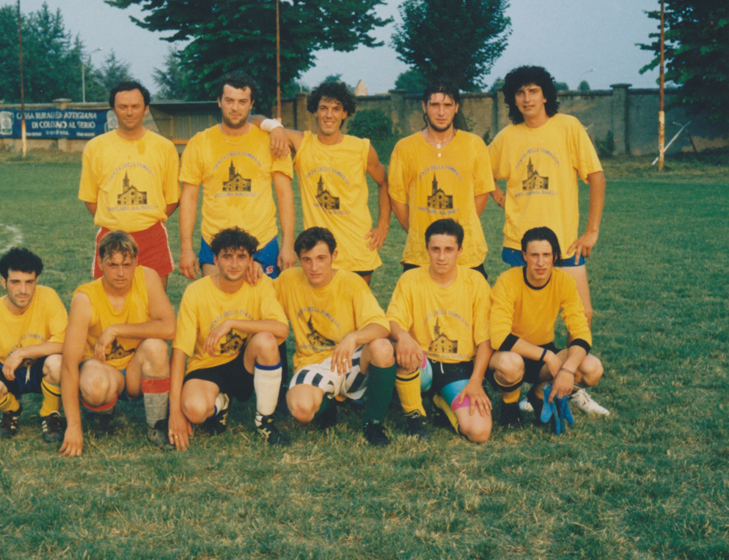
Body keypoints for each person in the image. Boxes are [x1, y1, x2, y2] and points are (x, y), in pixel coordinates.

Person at [488, 65, 608, 414]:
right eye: (520, 93)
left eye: (533, 91)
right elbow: (479, 170)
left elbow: (596, 177)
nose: (527, 99)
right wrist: (497, 195)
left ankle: (563, 385)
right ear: (513, 98)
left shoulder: (567, 127)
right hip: (519, 244)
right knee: (517, 321)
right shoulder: (508, 137)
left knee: (581, 313)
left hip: (565, 244)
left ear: (545, 94)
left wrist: (592, 230)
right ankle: (513, 388)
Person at [252, 80, 390, 284]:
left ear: (345, 113)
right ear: (315, 111)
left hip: (356, 250)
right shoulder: (303, 143)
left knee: (355, 313)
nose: (329, 115)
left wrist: (383, 226)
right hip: (318, 253)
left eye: (336, 109)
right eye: (323, 108)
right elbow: (253, 118)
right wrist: (275, 127)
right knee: (320, 313)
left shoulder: (361, 148)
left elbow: (384, 182)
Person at [168, 227, 290, 450]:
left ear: (250, 260)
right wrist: (174, 413)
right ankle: (220, 403)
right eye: (227, 257)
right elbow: (179, 353)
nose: (234, 264)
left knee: (266, 340)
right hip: (207, 364)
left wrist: (232, 323)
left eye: (241, 257)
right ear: (215, 259)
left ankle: (265, 421)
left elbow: (281, 329)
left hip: (243, 363)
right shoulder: (196, 292)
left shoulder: (260, 283)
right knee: (194, 411)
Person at [275, 227, 396, 446]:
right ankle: (328, 405)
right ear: (299, 260)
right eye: (307, 259)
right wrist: (252, 271)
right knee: (301, 410)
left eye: (321, 258)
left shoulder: (351, 283)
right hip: (312, 363)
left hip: (350, 360)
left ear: (334, 256)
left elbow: (381, 326)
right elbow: (261, 302)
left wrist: (353, 339)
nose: (314, 267)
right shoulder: (288, 281)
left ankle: (374, 424)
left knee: (383, 348)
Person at [59, 231, 175, 457]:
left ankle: (156, 425)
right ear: (100, 263)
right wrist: (73, 426)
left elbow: (170, 328)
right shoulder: (85, 298)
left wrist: (116, 329)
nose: (121, 272)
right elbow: (68, 365)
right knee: (95, 384)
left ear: (136, 262)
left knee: (157, 347)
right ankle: (103, 412)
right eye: (113, 265)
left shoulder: (147, 278)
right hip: (102, 368)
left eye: (127, 264)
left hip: (135, 370)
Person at [178, 71, 295, 281]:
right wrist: (186, 248)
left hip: (262, 241)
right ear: (219, 102)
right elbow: (188, 198)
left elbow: (285, 195)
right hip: (215, 241)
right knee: (217, 309)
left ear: (251, 105)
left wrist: (287, 245)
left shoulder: (272, 141)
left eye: (242, 102)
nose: (235, 107)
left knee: (264, 309)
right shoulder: (199, 142)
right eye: (229, 100)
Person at [388, 219, 492, 443]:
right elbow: (393, 321)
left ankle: (441, 401)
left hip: (459, 368)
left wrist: (476, 381)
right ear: (427, 250)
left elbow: (485, 340)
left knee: (479, 432)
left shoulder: (476, 282)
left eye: (448, 250)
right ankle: (415, 416)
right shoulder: (410, 279)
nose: (442, 257)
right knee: (400, 348)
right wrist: (403, 335)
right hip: (422, 362)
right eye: (435, 249)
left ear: (460, 251)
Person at [488, 227, 604, 427]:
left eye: (546, 255)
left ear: (554, 256)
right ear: (524, 255)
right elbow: (499, 337)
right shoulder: (507, 281)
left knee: (591, 369)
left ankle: (539, 393)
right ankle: (510, 405)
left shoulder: (564, 281)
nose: (540, 262)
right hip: (509, 352)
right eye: (534, 255)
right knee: (511, 364)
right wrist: (548, 356)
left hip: (542, 352)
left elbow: (580, 332)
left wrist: (567, 370)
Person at [388, 79, 495, 279]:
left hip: (466, 252)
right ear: (424, 107)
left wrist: (458, 231)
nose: (441, 112)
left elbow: (481, 194)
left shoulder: (474, 145)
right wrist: (418, 231)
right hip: (420, 253)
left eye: (447, 105)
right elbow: (397, 199)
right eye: (434, 105)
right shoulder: (405, 148)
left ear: (456, 108)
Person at [78, 81, 180, 290]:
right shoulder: (96, 147)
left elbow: (172, 199)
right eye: (123, 107)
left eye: (135, 106)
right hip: (111, 236)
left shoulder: (164, 147)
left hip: (152, 237)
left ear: (146, 109)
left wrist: (144, 218)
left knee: (153, 306)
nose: (129, 112)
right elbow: (90, 199)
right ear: (113, 110)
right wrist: (118, 219)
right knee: (108, 306)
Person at [0, 247, 67, 444]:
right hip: (7, 368)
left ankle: (50, 414)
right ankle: (11, 410)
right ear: (4, 283)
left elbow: (66, 342)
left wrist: (23, 352)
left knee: (58, 364)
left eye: (29, 282)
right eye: (15, 282)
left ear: (36, 281)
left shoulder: (48, 297)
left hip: (40, 365)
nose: (23, 290)